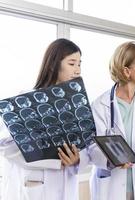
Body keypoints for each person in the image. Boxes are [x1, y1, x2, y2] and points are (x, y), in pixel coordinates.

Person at [81, 41, 135, 200]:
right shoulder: (100, 105)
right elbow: (91, 146)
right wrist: (112, 160)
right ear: (127, 71)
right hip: (111, 186)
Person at [0, 38, 82, 200]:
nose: (78, 70)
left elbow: (85, 145)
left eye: (80, 64)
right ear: (53, 65)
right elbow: (5, 145)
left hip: (67, 186)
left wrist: (77, 159)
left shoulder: (77, 105)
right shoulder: (24, 100)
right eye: (72, 64)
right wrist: (52, 160)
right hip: (36, 187)